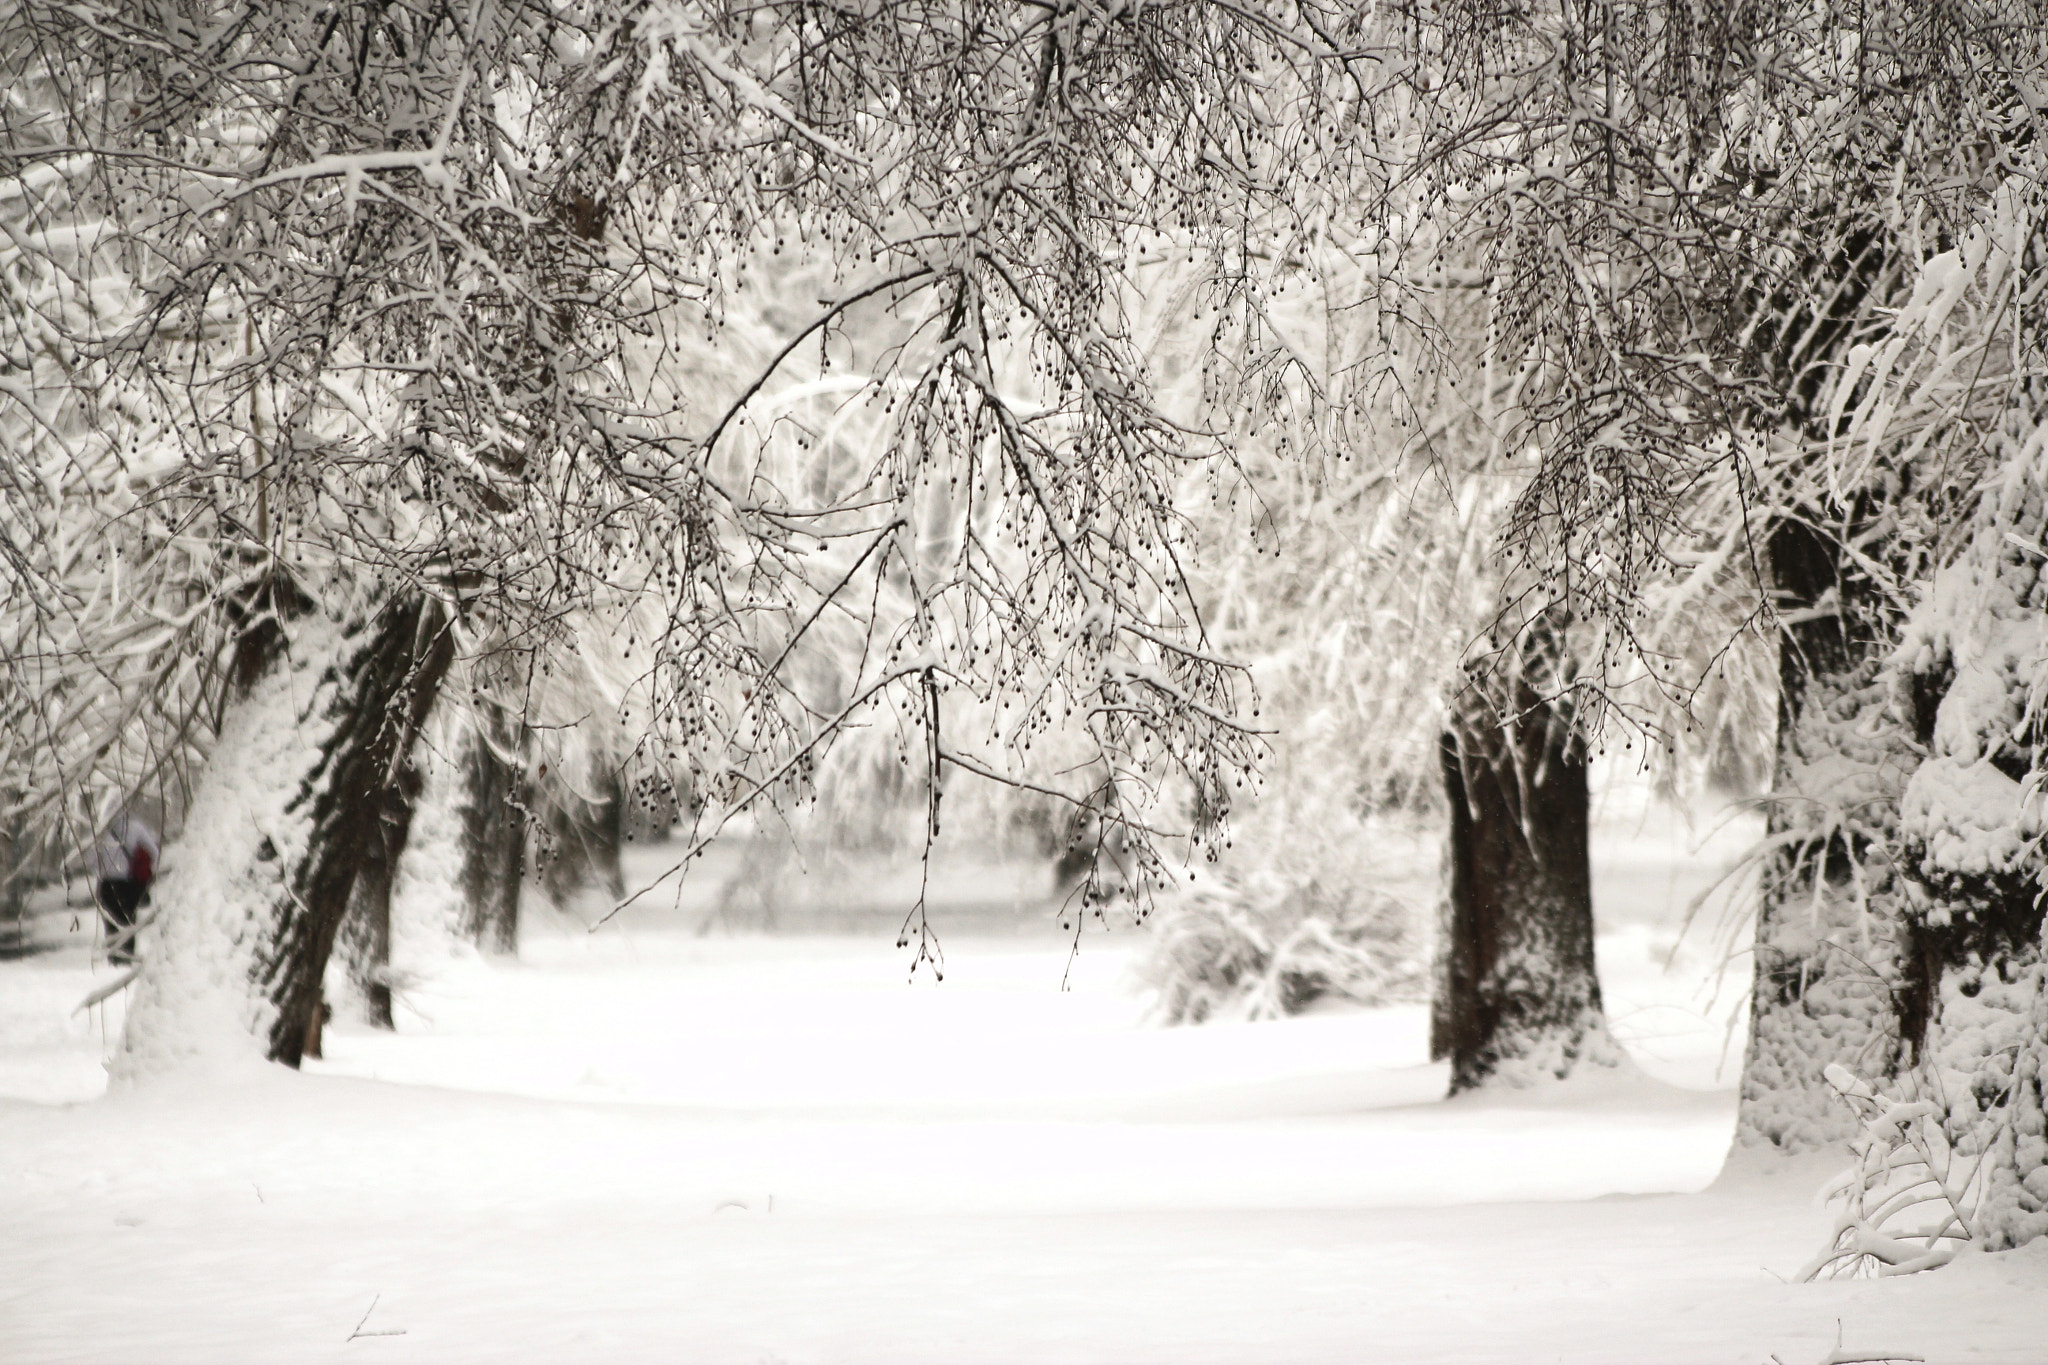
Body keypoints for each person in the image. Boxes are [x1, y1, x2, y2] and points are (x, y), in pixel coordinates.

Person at [94, 813, 159, 966]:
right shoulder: (135, 828)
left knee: (111, 920)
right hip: (129, 883)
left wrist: (104, 868)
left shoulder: (101, 830)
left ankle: (114, 957)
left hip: (107, 882)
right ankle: (127, 956)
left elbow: (91, 860)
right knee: (128, 919)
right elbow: (154, 852)